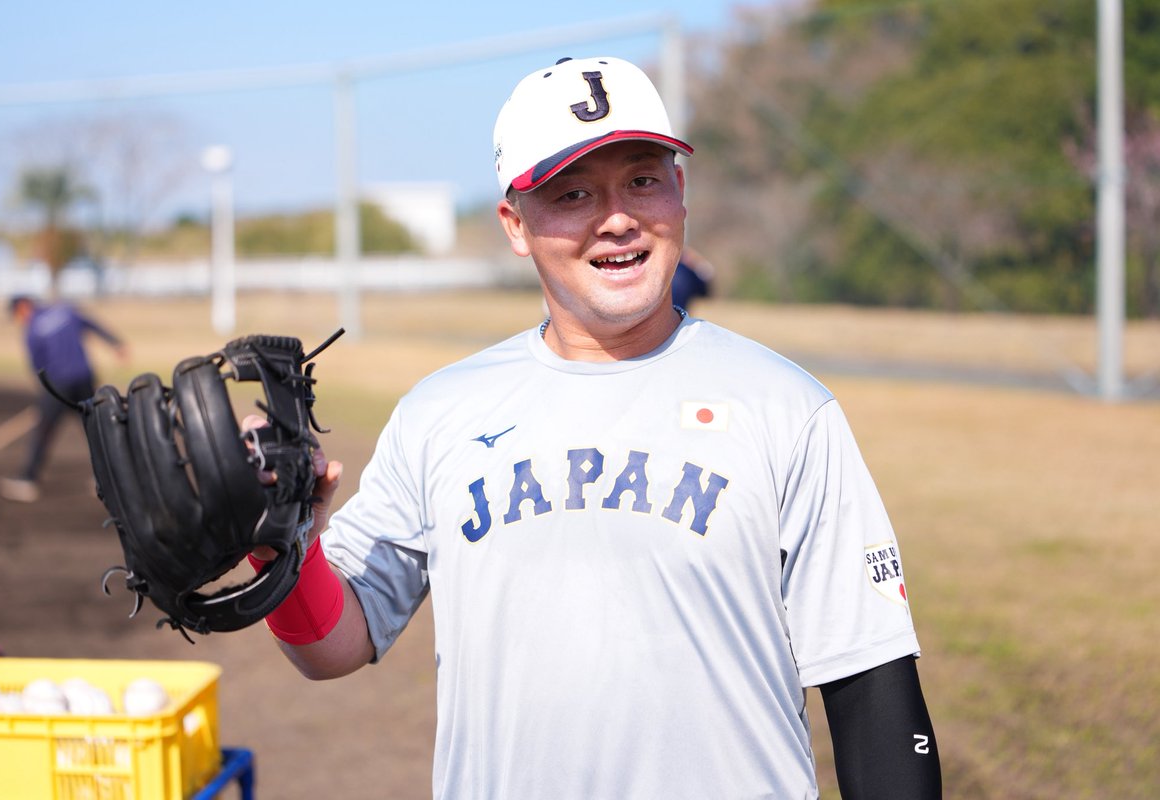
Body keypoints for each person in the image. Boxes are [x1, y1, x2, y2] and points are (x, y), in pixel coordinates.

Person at [250, 56, 942, 798]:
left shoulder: (788, 409)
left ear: (679, 192)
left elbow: (872, 690)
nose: (617, 217)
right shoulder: (440, 413)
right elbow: (332, 646)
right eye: (573, 192)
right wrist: (278, 546)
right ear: (515, 224)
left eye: (642, 179)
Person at [0, 295, 127, 503]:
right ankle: (110, 478)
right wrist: (116, 344)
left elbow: (38, 368)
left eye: (16, 315)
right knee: (93, 429)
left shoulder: (32, 330)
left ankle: (27, 479)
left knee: (44, 431)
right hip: (84, 378)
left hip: (59, 384)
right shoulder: (65, 311)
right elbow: (92, 324)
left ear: (22, 308)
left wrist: (45, 396)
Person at [670, 246, 714, 313]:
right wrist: (698, 263)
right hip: (681, 318)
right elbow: (705, 291)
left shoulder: (686, 272)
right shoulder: (688, 272)